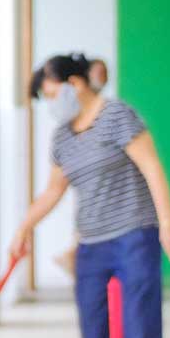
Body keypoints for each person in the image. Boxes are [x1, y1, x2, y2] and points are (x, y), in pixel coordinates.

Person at [11, 52, 170, 338]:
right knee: (94, 332)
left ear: (75, 84)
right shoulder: (63, 137)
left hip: (134, 237)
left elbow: (151, 167)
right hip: (91, 245)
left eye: (53, 94)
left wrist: (167, 223)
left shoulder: (118, 116)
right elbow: (54, 190)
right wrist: (25, 227)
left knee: (140, 327)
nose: (52, 105)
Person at [54, 59, 112, 279]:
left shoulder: (108, 110)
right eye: (98, 71)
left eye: (104, 72)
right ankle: (74, 252)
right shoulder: (76, 114)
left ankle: (74, 253)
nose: (101, 75)